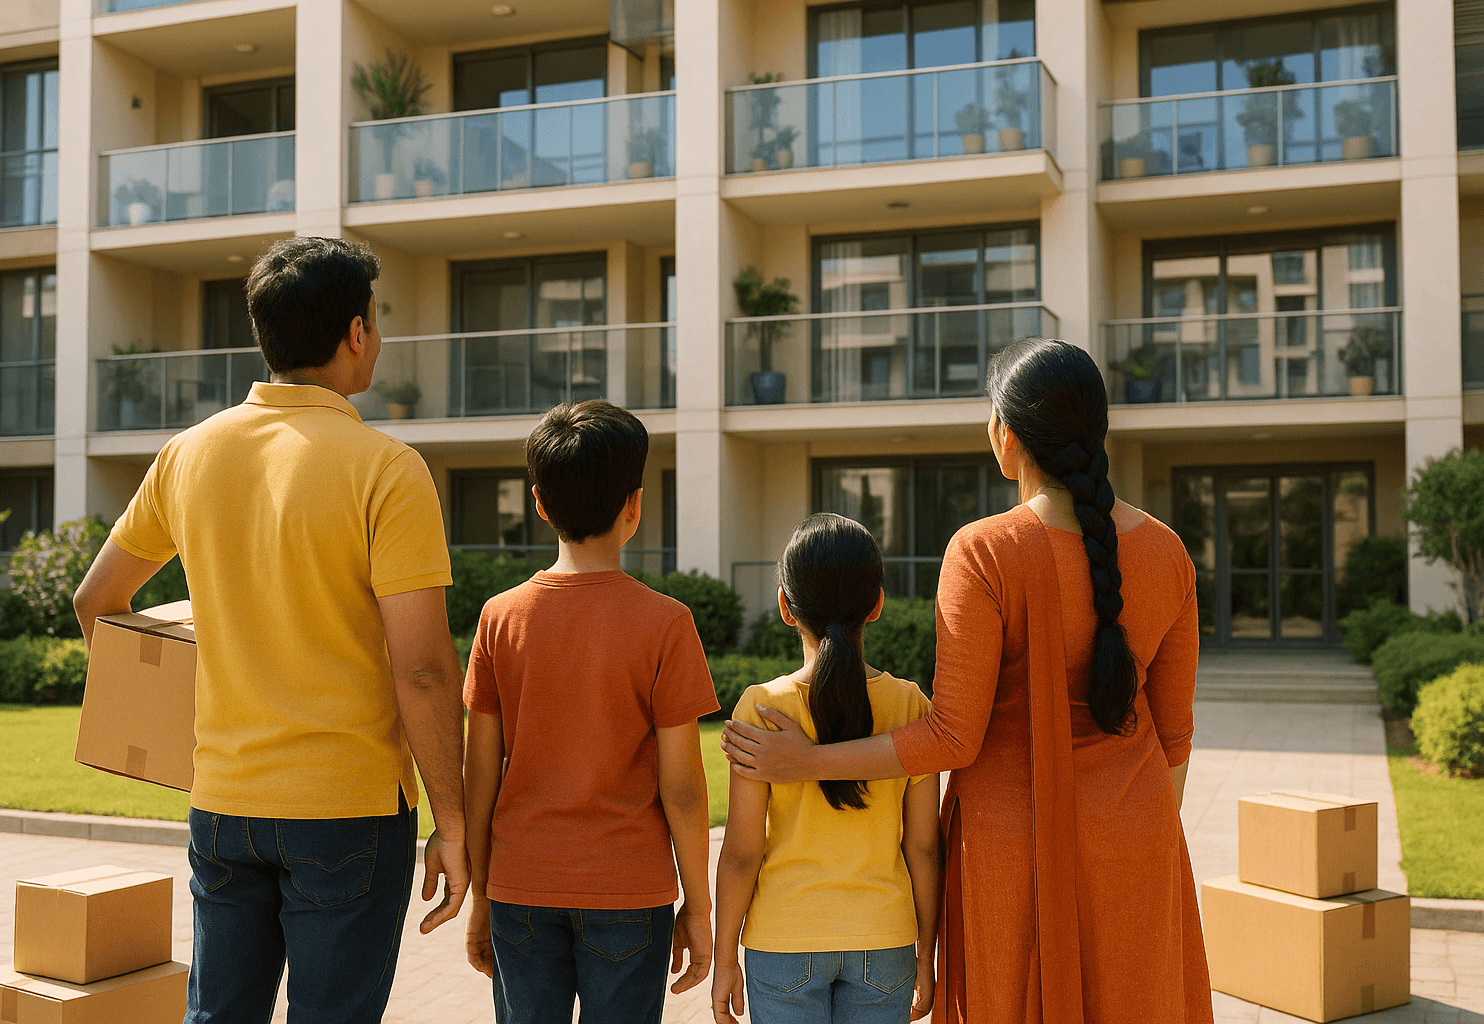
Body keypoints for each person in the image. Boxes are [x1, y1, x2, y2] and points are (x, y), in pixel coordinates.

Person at [721, 338, 1211, 1024]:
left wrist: (807, 762)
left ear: (1004, 436)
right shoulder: (1168, 552)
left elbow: (952, 736)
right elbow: (1175, 739)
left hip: (1010, 854)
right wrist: (1138, 840)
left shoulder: (983, 550)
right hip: (1137, 842)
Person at [72, 237, 470, 1024]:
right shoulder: (387, 468)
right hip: (347, 811)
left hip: (223, 801)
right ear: (356, 333)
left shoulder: (189, 453)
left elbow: (96, 600)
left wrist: (164, 712)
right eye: (377, 324)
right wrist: (452, 824)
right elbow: (422, 669)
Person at [462, 400, 719, 1024]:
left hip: (521, 886)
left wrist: (480, 896)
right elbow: (683, 789)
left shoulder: (500, 618)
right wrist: (700, 907)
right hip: (631, 891)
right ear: (635, 505)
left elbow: (480, 775)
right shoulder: (668, 624)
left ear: (539, 503)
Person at [712, 513, 941, 1024]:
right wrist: (927, 951)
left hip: (782, 942)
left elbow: (742, 853)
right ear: (877, 604)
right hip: (885, 943)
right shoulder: (909, 705)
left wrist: (725, 957)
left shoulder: (761, 708)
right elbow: (924, 847)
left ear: (785, 607)